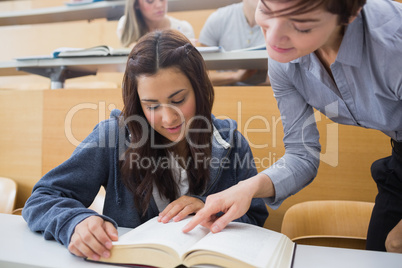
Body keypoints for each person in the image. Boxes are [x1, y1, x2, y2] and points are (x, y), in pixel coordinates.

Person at [22, 29, 268, 261]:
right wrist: (74, 222)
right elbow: (43, 198)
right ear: (138, 103)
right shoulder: (113, 137)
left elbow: (255, 217)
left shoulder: (231, 142)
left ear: (200, 90)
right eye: (151, 106)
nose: (168, 118)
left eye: (179, 100)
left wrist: (214, 212)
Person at [183, 0, 402, 253]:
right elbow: (302, 153)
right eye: (266, 9)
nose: (274, 37)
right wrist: (246, 188)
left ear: (349, 13)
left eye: (300, 25)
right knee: (381, 249)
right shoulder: (284, 57)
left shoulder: (393, 42)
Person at [199, 0, 269, 86]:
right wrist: (234, 76)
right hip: (224, 91)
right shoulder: (219, 17)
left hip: (263, 93)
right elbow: (199, 74)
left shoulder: (279, 22)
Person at [117, 0, 195, 47]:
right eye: (150, 0)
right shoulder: (125, 25)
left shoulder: (184, 28)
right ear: (136, 4)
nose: (159, 5)